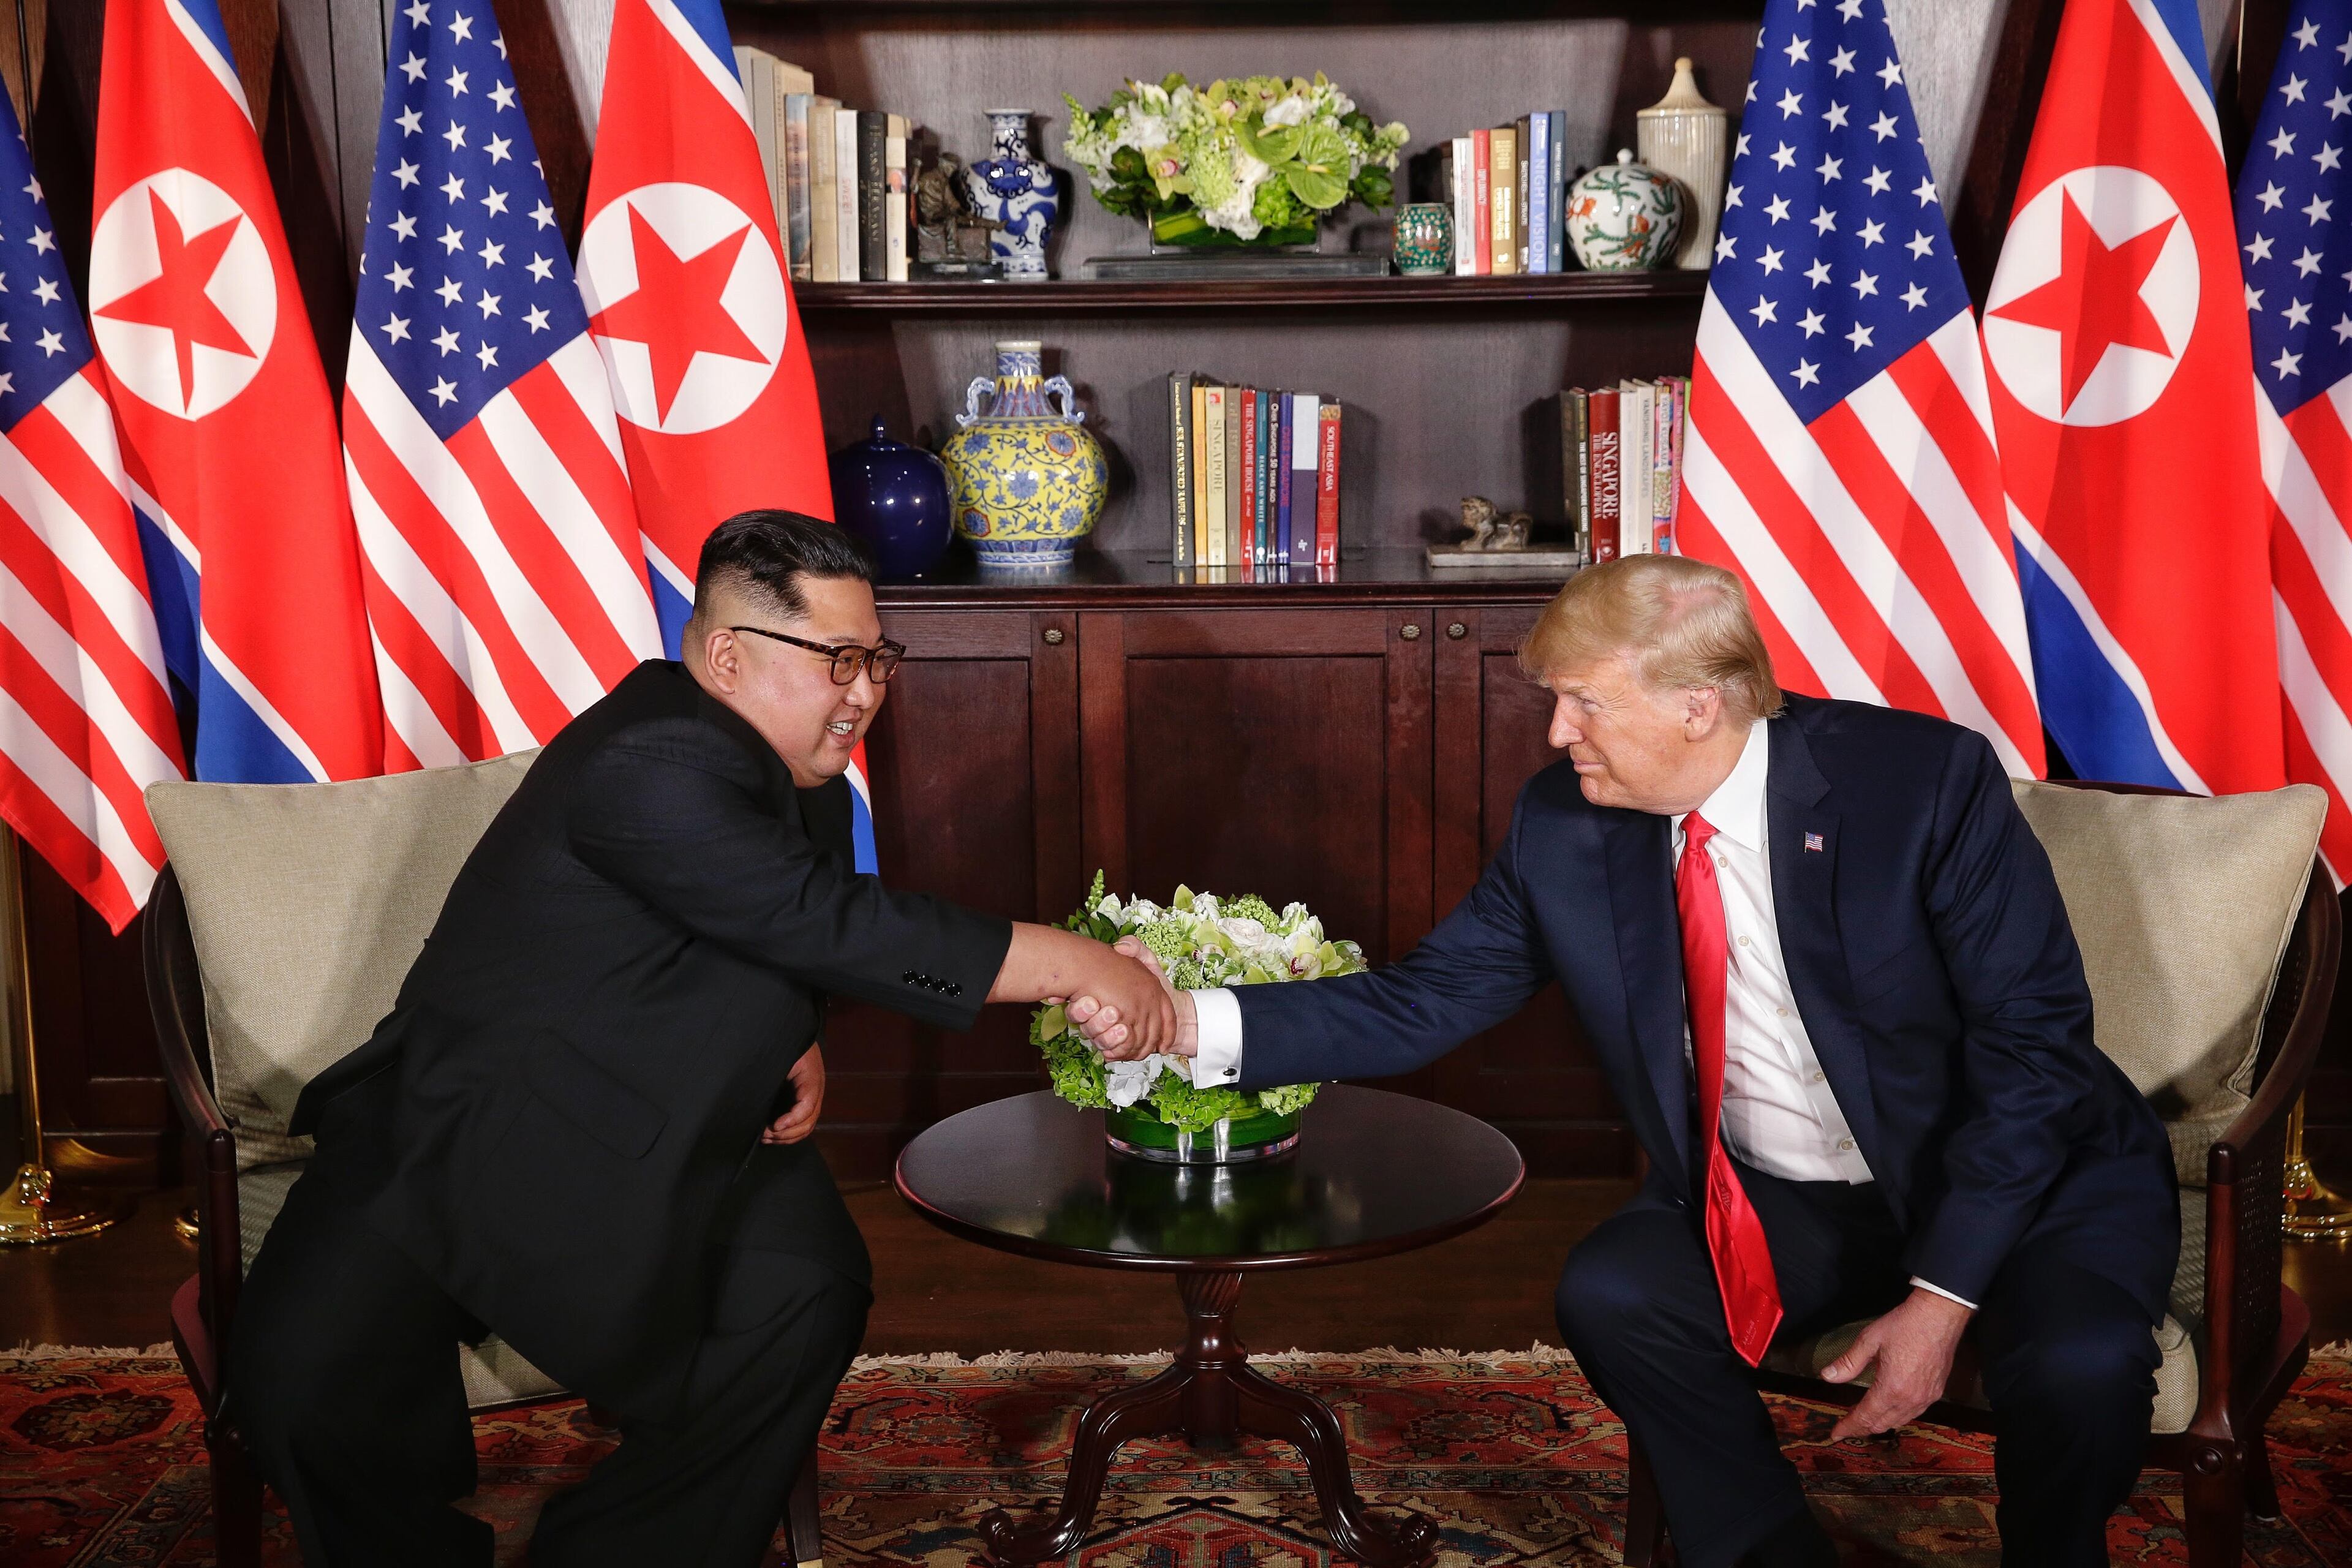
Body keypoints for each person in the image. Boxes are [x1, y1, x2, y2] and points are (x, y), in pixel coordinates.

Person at [1071, 556, 2177, 1568]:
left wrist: (1941, 1299)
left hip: (2025, 1178)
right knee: (1616, 1289)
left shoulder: (1923, 785)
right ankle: (1766, 1552)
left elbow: (2034, 1052)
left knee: (2079, 1371)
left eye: (1585, 701)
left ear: (1700, 705)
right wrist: (1177, 1022)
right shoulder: (1570, 824)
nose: (1557, 734)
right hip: (1788, 1194)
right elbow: (1429, 998)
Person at [230, 510, 1175, 1568]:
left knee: (807, 1290)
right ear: (728, 655)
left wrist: (789, 1032)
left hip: (672, 1122)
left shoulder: (790, 763)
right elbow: (826, 922)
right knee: (296, 1385)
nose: (866, 691)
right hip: (467, 1131)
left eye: (879, 658)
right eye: (841, 660)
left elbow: (766, 926)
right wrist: (1077, 962)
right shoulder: (654, 752)